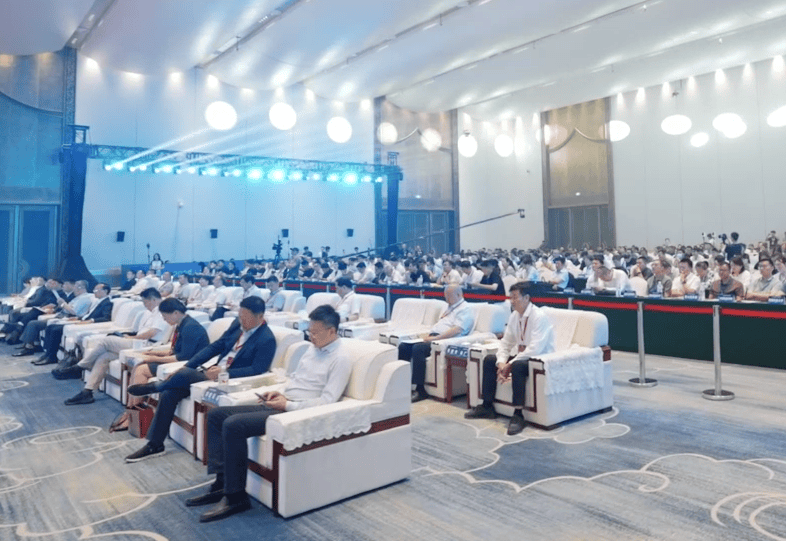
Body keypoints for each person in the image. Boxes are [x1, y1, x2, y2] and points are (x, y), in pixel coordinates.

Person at [185, 305, 352, 523]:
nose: (310, 337)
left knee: (234, 425)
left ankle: (236, 497)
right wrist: (278, 392)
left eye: (315, 333)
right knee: (217, 415)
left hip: (294, 411)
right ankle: (221, 484)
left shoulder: (340, 358)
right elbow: (295, 381)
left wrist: (287, 405)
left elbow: (327, 401)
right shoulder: (312, 350)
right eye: (309, 332)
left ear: (332, 331)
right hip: (282, 401)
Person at [124, 295, 276, 463]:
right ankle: (155, 444)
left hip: (227, 380)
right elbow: (216, 347)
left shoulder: (267, 339)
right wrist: (188, 365)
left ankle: (157, 386)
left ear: (260, 317)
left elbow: (257, 369)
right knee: (169, 393)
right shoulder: (237, 325)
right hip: (211, 372)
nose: (241, 321)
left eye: (245, 318)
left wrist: (224, 372)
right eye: (240, 316)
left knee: (183, 375)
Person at [464, 281, 555, 435]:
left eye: (515, 297)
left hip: (539, 359)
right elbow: (506, 343)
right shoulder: (514, 316)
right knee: (490, 360)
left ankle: (518, 415)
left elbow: (535, 348)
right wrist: (501, 363)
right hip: (522, 356)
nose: (511, 301)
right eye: (510, 297)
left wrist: (510, 364)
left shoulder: (539, 317)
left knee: (518, 366)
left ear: (526, 298)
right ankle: (487, 406)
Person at [110, 298, 210, 432]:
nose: (164, 320)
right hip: (181, 361)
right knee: (138, 367)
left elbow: (183, 357)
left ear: (175, 313)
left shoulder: (191, 327)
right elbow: (174, 350)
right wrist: (151, 353)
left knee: (141, 370)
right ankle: (129, 412)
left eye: (165, 316)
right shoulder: (182, 325)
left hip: (189, 367)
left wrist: (153, 358)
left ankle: (131, 416)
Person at [61, 287, 171, 403]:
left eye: (145, 302)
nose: (145, 305)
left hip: (145, 345)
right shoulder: (153, 312)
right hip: (139, 341)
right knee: (104, 357)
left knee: (106, 341)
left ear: (153, 300)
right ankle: (88, 392)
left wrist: (133, 337)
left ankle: (80, 366)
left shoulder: (161, 311)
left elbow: (153, 332)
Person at [397, 284, 475, 402]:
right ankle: (403, 385)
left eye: (449, 296)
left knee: (418, 349)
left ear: (459, 294)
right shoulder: (450, 307)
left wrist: (436, 338)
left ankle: (420, 390)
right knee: (403, 346)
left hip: (444, 340)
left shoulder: (465, 309)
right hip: (434, 337)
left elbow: (457, 330)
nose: (446, 298)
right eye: (445, 296)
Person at [32, 283, 113, 366]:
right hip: (82, 320)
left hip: (88, 323)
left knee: (55, 330)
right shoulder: (97, 301)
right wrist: (78, 318)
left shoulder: (107, 302)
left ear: (105, 291)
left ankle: (52, 356)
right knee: (50, 327)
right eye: (94, 290)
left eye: (96, 290)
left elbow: (106, 318)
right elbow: (88, 314)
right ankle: (47, 354)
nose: (94, 292)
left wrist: (91, 320)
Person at [12, 280, 92, 357]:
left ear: (80, 288)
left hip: (68, 318)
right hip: (61, 315)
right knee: (34, 319)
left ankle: (30, 347)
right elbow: (66, 308)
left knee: (33, 323)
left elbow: (74, 312)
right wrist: (59, 306)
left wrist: (63, 304)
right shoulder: (77, 298)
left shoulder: (85, 298)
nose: (73, 288)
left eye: (75, 286)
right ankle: (30, 345)